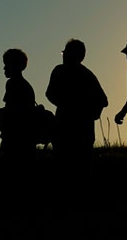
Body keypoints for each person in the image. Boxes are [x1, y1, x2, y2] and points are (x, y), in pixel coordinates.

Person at [45, 39, 108, 169]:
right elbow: (49, 93)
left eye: (66, 53)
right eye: (63, 53)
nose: (64, 56)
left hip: (82, 132)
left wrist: (88, 114)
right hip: (64, 129)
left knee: (80, 170)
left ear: (77, 56)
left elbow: (103, 100)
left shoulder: (86, 75)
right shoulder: (59, 71)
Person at [0, 48, 37, 165]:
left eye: (6, 64)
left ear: (15, 66)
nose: (4, 68)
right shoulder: (23, 85)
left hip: (16, 139)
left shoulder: (14, 84)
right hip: (23, 139)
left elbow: (8, 111)